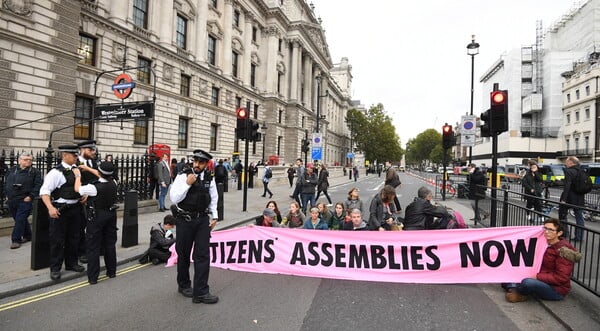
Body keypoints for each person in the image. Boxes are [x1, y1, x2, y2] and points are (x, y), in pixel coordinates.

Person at [170, 149, 219, 304]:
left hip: (202, 220)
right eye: (195, 161)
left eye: (201, 162)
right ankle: (184, 285)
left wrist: (215, 216)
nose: (197, 164)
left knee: (203, 255)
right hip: (185, 220)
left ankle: (201, 292)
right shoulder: (183, 175)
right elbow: (174, 198)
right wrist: (187, 184)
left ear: (206, 164)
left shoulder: (209, 177)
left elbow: (213, 197)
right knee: (183, 253)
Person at [504, 218, 580, 302]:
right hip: (541, 278)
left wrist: (537, 277)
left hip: (556, 289)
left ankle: (517, 291)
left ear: (559, 233)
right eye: (545, 228)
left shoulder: (563, 250)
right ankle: (515, 288)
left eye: (551, 230)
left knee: (527, 282)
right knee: (509, 274)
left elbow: (561, 278)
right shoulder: (544, 242)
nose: (546, 232)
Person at [39, 145, 86, 281]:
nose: (77, 157)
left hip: (75, 209)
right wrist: (50, 208)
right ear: (65, 155)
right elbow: (45, 192)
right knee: (57, 240)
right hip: (61, 210)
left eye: (77, 155)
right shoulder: (55, 173)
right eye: (74, 155)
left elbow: (77, 188)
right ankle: (55, 268)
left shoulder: (76, 170)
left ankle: (71, 264)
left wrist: (83, 196)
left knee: (74, 238)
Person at [73, 161, 118, 285]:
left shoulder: (93, 188)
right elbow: (101, 175)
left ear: (99, 172)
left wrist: (78, 176)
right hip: (111, 215)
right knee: (109, 244)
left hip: (97, 217)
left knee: (93, 247)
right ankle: (112, 271)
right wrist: (87, 168)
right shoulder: (113, 182)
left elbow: (77, 189)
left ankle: (93, 277)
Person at [4, 152, 42, 249]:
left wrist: (31, 196)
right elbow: (6, 182)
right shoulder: (12, 170)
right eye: (25, 159)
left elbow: (38, 185)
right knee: (19, 219)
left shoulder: (34, 172)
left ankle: (16, 240)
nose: (28, 161)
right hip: (12, 199)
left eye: (30, 160)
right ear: (19, 160)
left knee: (20, 219)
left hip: (25, 199)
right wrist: (7, 194)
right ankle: (28, 235)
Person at [76, 139, 100, 264]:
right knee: (80, 226)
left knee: (92, 225)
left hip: (93, 197)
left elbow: (99, 178)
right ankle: (81, 252)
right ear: (82, 150)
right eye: (91, 150)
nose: (93, 152)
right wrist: (82, 192)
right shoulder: (75, 162)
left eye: (94, 149)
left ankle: (92, 248)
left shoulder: (92, 162)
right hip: (80, 199)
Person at [559, 156, 586, 242]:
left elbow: (567, 185)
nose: (565, 163)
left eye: (567, 162)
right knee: (579, 217)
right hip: (580, 197)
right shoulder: (582, 171)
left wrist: (563, 199)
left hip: (569, 197)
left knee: (563, 214)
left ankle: (565, 233)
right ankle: (579, 237)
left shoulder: (569, 171)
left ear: (571, 162)